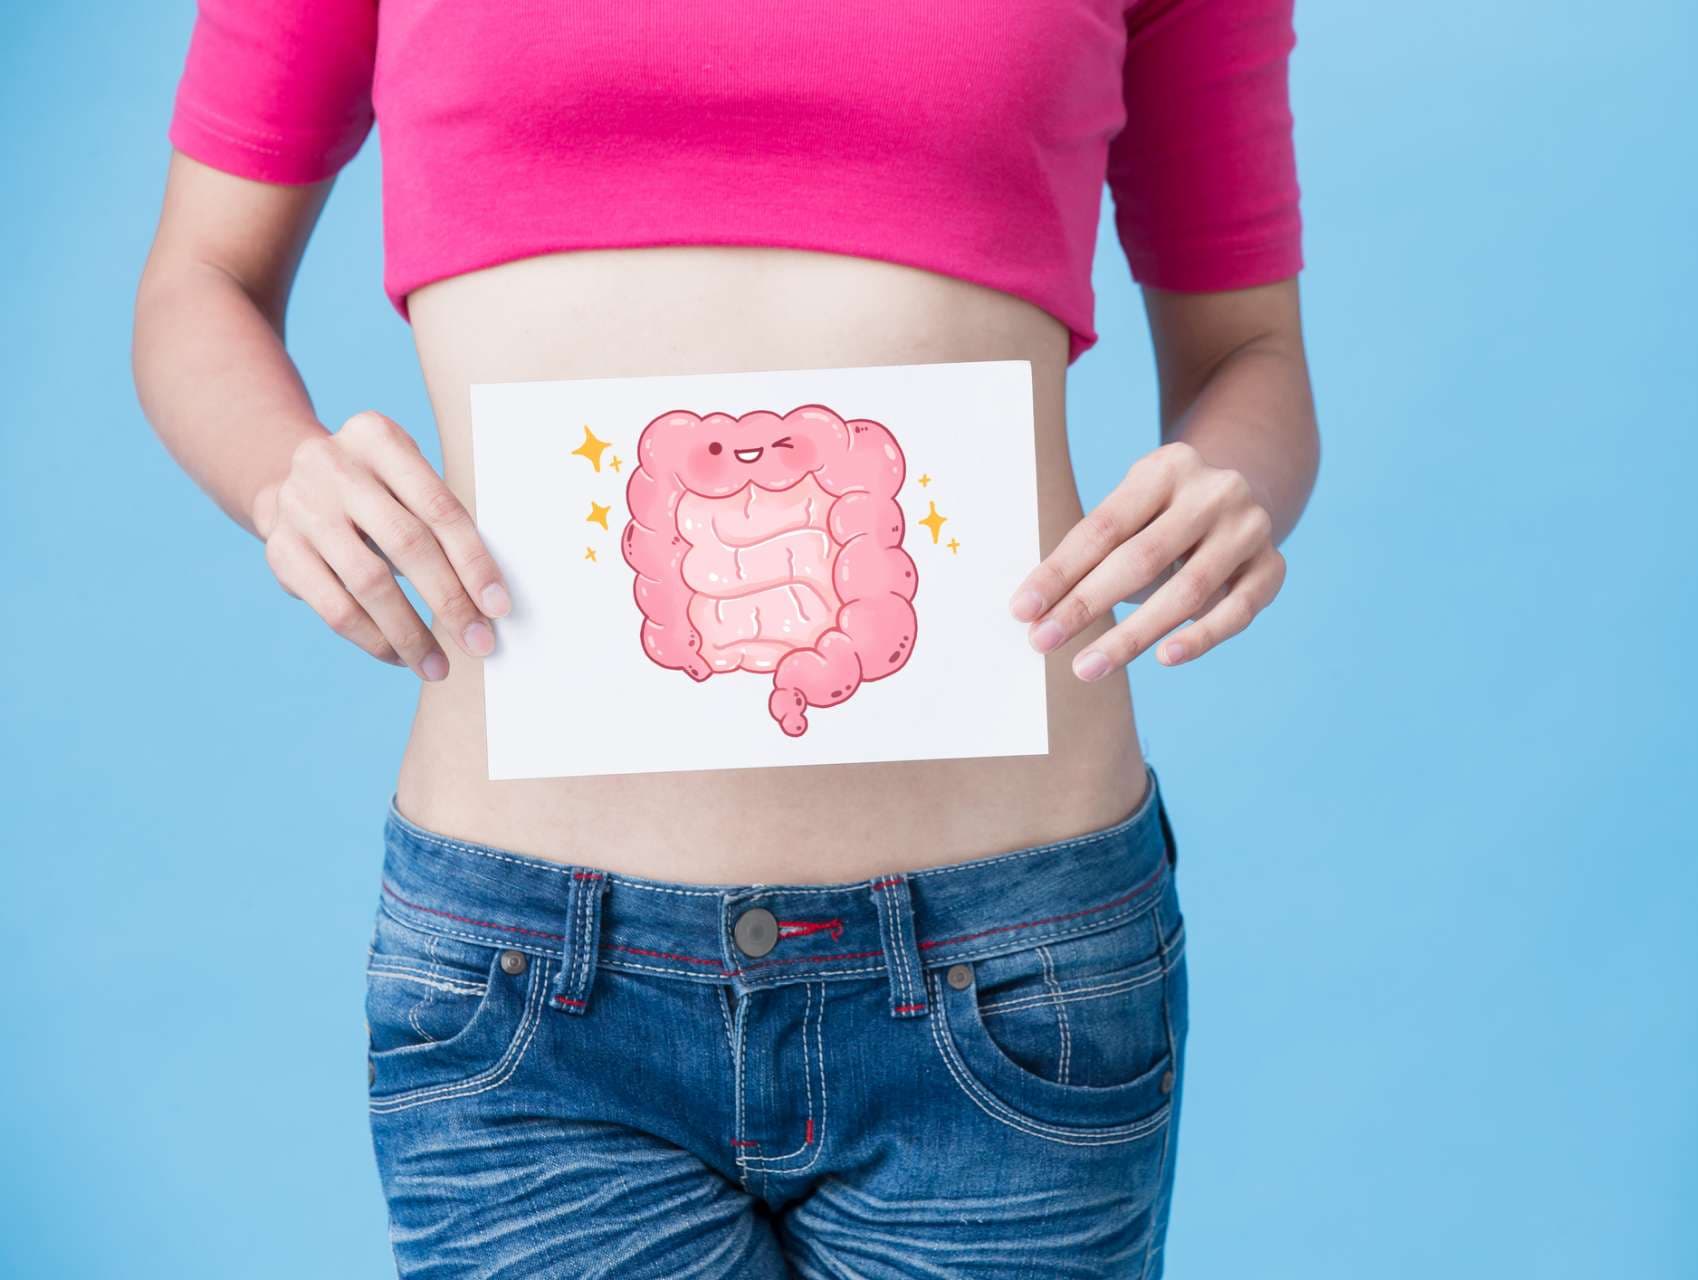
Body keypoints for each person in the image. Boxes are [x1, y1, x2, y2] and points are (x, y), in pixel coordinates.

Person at [133, 0, 1319, 1274]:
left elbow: (1250, 353)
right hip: (528, 990)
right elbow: (199, 282)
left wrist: (1228, 482)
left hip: (1014, 968)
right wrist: (283, 474)